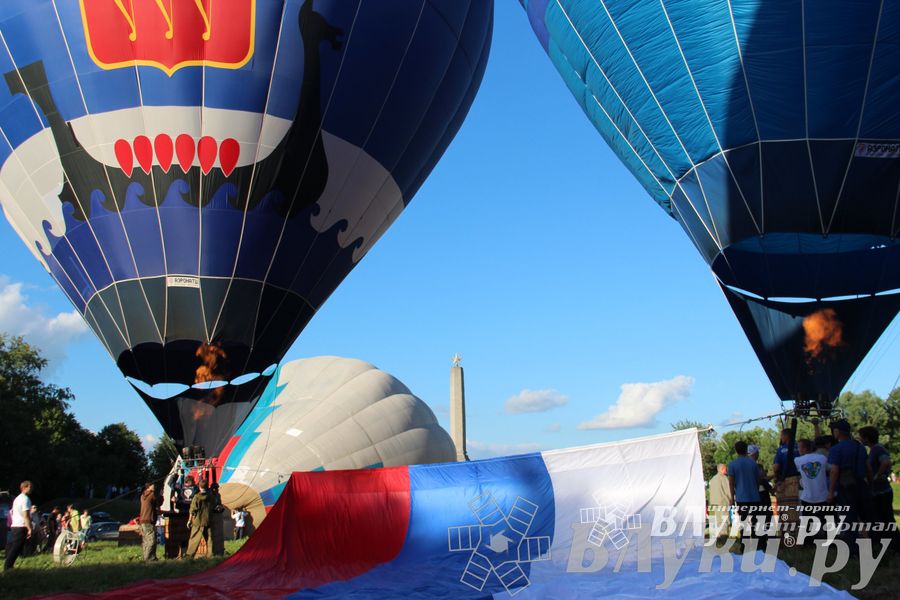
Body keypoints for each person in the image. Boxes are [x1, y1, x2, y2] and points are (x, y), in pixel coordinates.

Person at [827, 419, 868, 539]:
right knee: (866, 517)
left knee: (849, 519)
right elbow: (868, 468)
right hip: (862, 485)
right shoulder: (860, 446)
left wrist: (831, 492)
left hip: (845, 487)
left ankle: (853, 549)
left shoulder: (836, 449)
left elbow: (834, 471)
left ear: (837, 431)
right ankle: (873, 545)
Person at [858, 425, 895, 548]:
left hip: (882, 492)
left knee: (886, 520)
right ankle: (888, 545)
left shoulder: (877, 449)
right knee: (883, 520)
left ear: (866, 438)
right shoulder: (874, 449)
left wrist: (876, 476)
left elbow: (886, 462)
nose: (860, 439)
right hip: (880, 491)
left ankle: (894, 545)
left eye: (861, 437)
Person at [794, 438, 829, 541]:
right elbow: (829, 469)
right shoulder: (822, 458)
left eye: (799, 447)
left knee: (806, 521)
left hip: (807, 496)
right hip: (822, 495)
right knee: (826, 520)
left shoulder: (798, 460)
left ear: (804, 448)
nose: (798, 450)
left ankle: (806, 541)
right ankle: (828, 540)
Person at [728, 441, 761, 548]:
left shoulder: (732, 464)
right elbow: (757, 480)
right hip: (754, 497)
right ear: (746, 449)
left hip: (742, 497)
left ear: (736, 450)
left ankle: (744, 545)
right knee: (755, 521)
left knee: (744, 521)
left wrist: (732, 497)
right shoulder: (753, 463)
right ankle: (756, 544)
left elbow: (731, 482)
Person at [4, 481, 33, 571]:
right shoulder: (25, 499)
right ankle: (8, 566)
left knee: (17, 546)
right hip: (21, 525)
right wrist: (29, 528)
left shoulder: (17, 498)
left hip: (15, 525)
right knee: (17, 546)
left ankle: (9, 565)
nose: (32, 489)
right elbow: (26, 515)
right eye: (30, 487)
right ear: (24, 487)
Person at [186, 480, 212, 558]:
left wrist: (189, 520)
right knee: (209, 539)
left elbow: (192, 510)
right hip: (208, 520)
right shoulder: (210, 496)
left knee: (194, 539)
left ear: (199, 487)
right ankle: (211, 555)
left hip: (198, 521)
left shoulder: (196, 497)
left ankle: (189, 556)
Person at [708, 464, 732, 537]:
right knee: (724, 519)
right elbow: (728, 491)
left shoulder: (713, 478)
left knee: (718, 520)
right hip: (723, 502)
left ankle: (719, 535)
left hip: (715, 503)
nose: (726, 470)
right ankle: (724, 535)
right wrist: (731, 500)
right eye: (725, 469)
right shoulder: (724, 478)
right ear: (721, 469)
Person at [140, 482, 160, 561]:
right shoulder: (152, 495)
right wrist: (161, 494)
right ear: (148, 487)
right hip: (149, 520)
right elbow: (159, 502)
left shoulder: (142, 496)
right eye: (153, 485)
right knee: (152, 540)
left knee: (146, 540)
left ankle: (151, 557)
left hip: (142, 520)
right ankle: (148, 558)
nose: (154, 486)